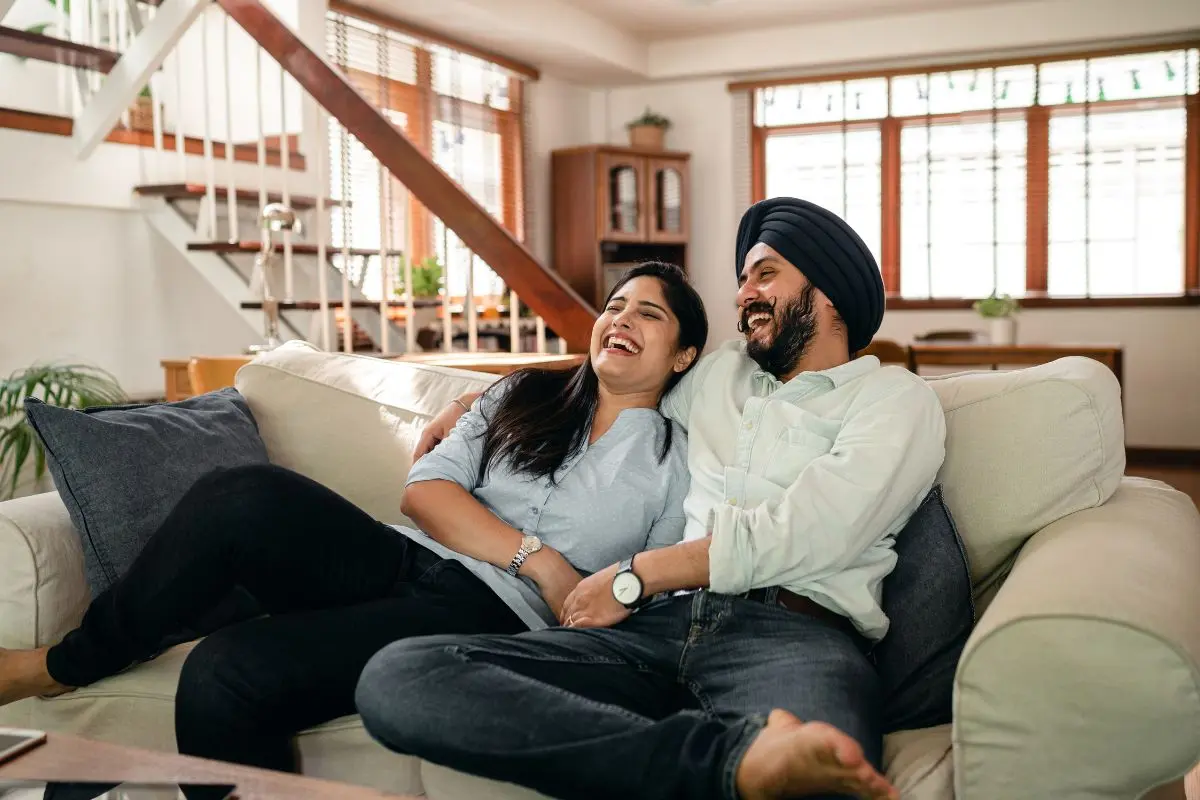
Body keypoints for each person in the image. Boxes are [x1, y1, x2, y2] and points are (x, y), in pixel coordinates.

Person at [0, 261, 708, 775]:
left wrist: (585, 595)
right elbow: (424, 493)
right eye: (615, 305)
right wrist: (541, 560)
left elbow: (652, 596)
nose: (622, 319)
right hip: (406, 556)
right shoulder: (522, 394)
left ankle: (212, 616)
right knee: (240, 494)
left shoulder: (678, 465)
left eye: (649, 314)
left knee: (223, 675)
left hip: (489, 616)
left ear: (684, 355)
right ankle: (67, 665)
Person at [354, 197, 948, 800]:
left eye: (765, 275)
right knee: (402, 675)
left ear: (831, 295)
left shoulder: (895, 400)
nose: (743, 294)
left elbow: (813, 530)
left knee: (824, 777)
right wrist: (479, 397)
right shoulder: (720, 374)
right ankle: (724, 763)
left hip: (792, 638)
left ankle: (727, 762)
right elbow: (616, 366)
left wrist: (637, 575)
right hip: (653, 629)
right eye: (743, 280)